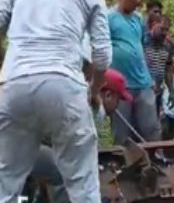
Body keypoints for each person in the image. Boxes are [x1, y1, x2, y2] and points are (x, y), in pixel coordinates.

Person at [0, 0, 112, 203]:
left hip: (14, 84)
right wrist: (95, 90)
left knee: (5, 178)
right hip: (63, 85)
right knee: (82, 181)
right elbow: (103, 55)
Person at [23, 70, 133, 203]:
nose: (118, 106)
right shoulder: (93, 109)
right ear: (108, 95)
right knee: (64, 173)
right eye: (118, 99)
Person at [109, 0, 161, 144]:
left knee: (151, 128)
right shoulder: (108, 17)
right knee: (122, 131)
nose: (139, 2)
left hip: (143, 82)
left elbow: (139, 48)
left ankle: (154, 163)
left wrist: (149, 75)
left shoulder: (138, 19)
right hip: (121, 85)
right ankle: (123, 166)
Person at [145, 15, 173, 117]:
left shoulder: (167, 46)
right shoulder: (143, 41)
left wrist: (172, 92)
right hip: (142, 90)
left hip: (158, 92)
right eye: (162, 29)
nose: (164, 33)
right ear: (153, 25)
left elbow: (168, 70)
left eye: (167, 30)